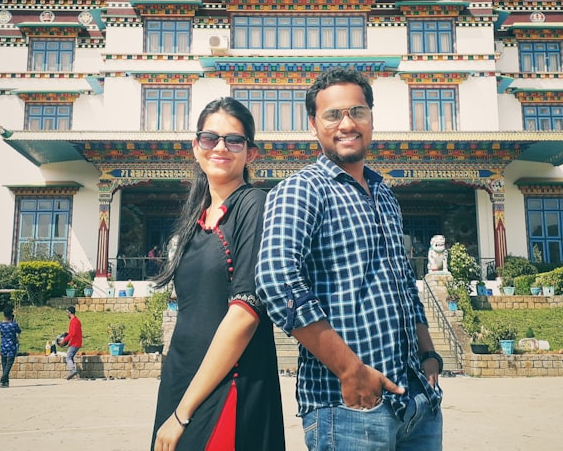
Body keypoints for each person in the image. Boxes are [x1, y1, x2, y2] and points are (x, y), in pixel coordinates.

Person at [256, 67, 444, 450]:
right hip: (347, 407)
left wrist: (429, 356)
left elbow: (405, 281)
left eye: (357, 112)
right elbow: (276, 281)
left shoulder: (383, 192)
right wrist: (350, 370)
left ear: (371, 118)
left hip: (416, 397)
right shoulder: (301, 190)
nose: (347, 124)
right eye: (333, 114)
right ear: (313, 125)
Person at [150, 97, 285, 451]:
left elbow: (245, 314)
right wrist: (177, 404)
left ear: (250, 153)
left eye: (234, 140)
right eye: (210, 139)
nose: (221, 147)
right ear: (196, 148)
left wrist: (183, 413)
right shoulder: (196, 220)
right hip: (182, 380)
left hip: (228, 384)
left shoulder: (253, 205)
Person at [0, 307, 21, 388]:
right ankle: (3, 380)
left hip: (3, 346)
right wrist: (14, 321)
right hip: (11, 347)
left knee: (4, 365)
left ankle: (6, 382)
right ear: (11, 315)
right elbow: (19, 331)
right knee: (9, 365)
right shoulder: (13, 325)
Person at [63, 305, 82, 380]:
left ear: (69, 312)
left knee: (68, 358)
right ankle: (75, 375)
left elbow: (72, 334)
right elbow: (73, 332)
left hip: (75, 343)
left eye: (67, 312)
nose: (67, 314)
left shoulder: (74, 321)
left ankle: (73, 370)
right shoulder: (76, 320)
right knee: (71, 357)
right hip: (77, 342)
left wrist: (63, 340)